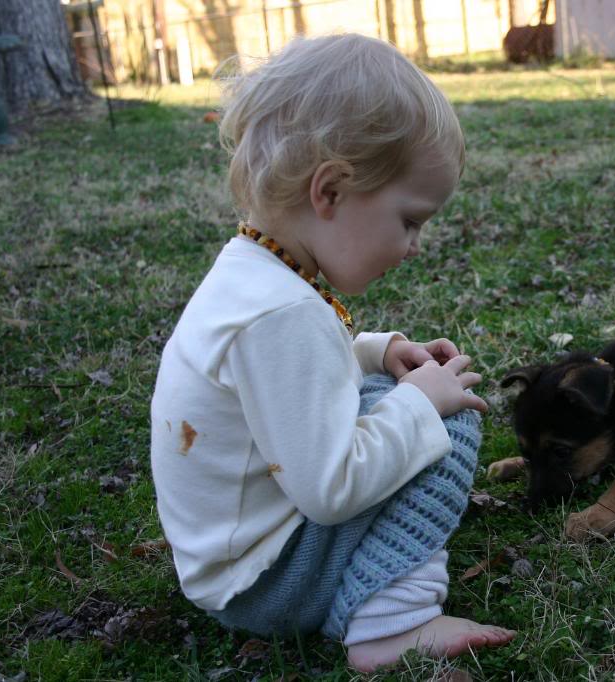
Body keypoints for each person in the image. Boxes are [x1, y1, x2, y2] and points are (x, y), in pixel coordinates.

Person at [149, 32, 514, 673]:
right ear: (331, 192)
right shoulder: (283, 316)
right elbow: (330, 488)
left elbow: (284, 389)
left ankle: (376, 588)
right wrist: (421, 410)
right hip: (267, 586)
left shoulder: (253, 273)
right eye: (409, 220)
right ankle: (390, 625)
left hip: (235, 564)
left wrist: (377, 354)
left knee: (393, 399)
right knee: (447, 425)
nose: (414, 245)